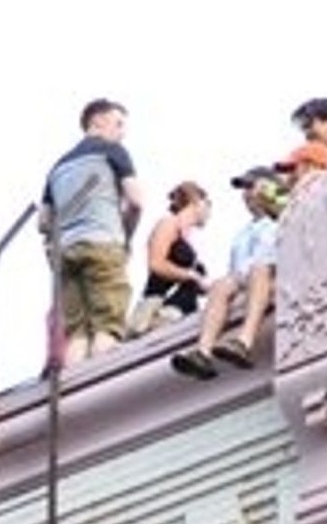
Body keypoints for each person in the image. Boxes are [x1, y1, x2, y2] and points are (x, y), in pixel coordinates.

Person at [42, 98, 143, 365]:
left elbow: (43, 222)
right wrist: (126, 237)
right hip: (103, 243)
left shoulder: (58, 166)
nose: (122, 132)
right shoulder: (111, 150)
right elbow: (136, 201)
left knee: (77, 332)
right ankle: (105, 385)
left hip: (65, 251)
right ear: (96, 121)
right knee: (107, 325)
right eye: (118, 123)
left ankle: (74, 396)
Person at [170, 167, 283, 380]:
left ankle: (244, 342)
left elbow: (289, 200)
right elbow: (236, 271)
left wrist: (272, 193)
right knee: (221, 284)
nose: (247, 194)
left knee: (259, 270)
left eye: (252, 187)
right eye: (245, 189)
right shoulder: (244, 232)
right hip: (244, 280)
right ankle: (203, 352)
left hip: (271, 275)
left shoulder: (281, 217)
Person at [127, 181, 210, 337]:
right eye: (208, 205)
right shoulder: (168, 224)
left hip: (183, 311)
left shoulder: (191, 239)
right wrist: (192, 276)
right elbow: (156, 264)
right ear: (197, 202)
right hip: (159, 310)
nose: (209, 212)